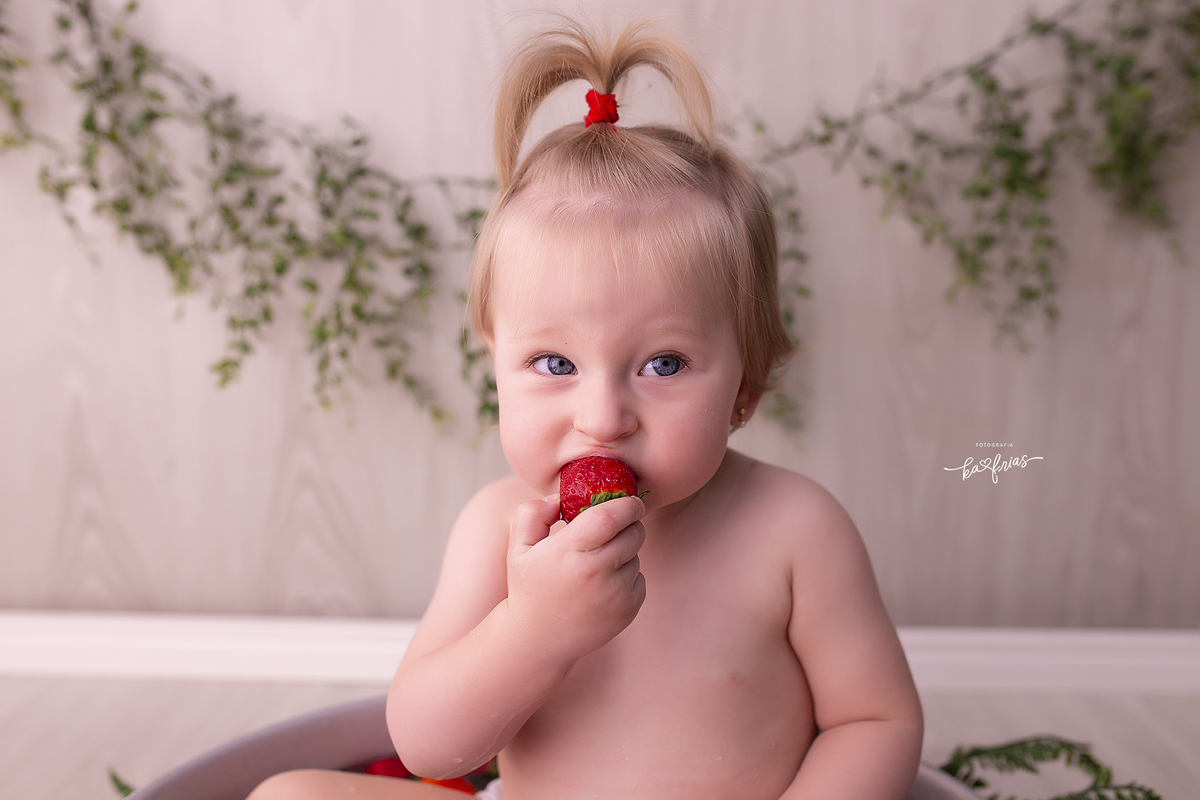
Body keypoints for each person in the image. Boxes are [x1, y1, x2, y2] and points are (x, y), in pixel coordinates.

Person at [248, 16, 922, 800]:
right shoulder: (496, 530)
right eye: (555, 364)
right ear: (495, 366)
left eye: (663, 365)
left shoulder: (795, 530)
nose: (602, 419)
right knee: (288, 797)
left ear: (746, 384)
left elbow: (875, 720)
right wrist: (533, 632)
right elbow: (431, 746)